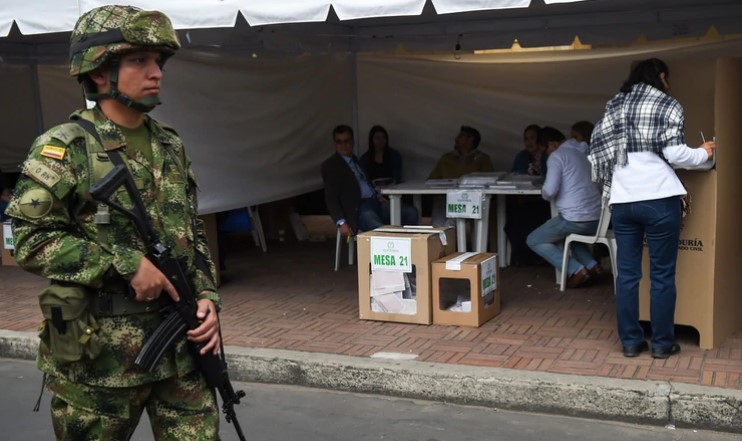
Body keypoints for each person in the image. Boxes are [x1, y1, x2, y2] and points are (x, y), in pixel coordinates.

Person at [5, 5, 222, 439]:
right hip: (101, 361)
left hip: (181, 349)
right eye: (139, 60)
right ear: (100, 72)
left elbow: (191, 233)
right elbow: (28, 239)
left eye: (157, 61)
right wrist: (125, 263)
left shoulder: (168, 143)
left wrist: (208, 297)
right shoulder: (66, 148)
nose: (156, 72)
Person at [589, 58, 715, 359]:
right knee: (662, 275)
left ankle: (631, 342)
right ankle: (661, 344)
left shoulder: (615, 106)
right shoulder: (667, 104)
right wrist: (703, 152)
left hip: (623, 200)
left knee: (627, 275)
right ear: (661, 76)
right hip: (659, 199)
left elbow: (600, 151)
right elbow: (674, 154)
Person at [526, 127, 602, 288]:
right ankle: (592, 265)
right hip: (599, 219)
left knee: (534, 239)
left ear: (551, 144)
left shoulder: (557, 156)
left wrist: (543, 191)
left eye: (545, 148)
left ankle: (576, 270)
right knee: (571, 236)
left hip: (576, 219)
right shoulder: (584, 154)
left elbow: (550, 191)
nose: (546, 153)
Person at [322, 125, 418, 237]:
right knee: (380, 230)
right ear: (335, 143)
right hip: (358, 209)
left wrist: (378, 196)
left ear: (353, 141)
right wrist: (341, 222)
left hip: (375, 202)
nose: (343, 145)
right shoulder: (330, 165)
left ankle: (412, 248)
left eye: (347, 141)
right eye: (339, 142)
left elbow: (365, 184)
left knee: (411, 213)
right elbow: (331, 198)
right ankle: (393, 251)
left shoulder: (356, 160)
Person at [429, 125, 494, 226]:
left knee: (450, 223)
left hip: (470, 200)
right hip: (444, 198)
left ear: (470, 139)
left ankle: (455, 241)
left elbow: (490, 183)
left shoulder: (483, 159)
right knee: (438, 224)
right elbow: (431, 180)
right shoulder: (446, 158)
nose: (456, 139)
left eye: (461, 136)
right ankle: (443, 242)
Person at [505, 124, 551, 266]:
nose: (529, 142)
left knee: (536, 219)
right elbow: (513, 176)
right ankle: (522, 259)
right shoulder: (521, 156)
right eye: (526, 138)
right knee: (514, 221)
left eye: (532, 138)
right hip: (524, 200)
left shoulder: (548, 156)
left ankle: (540, 258)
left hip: (545, 201)